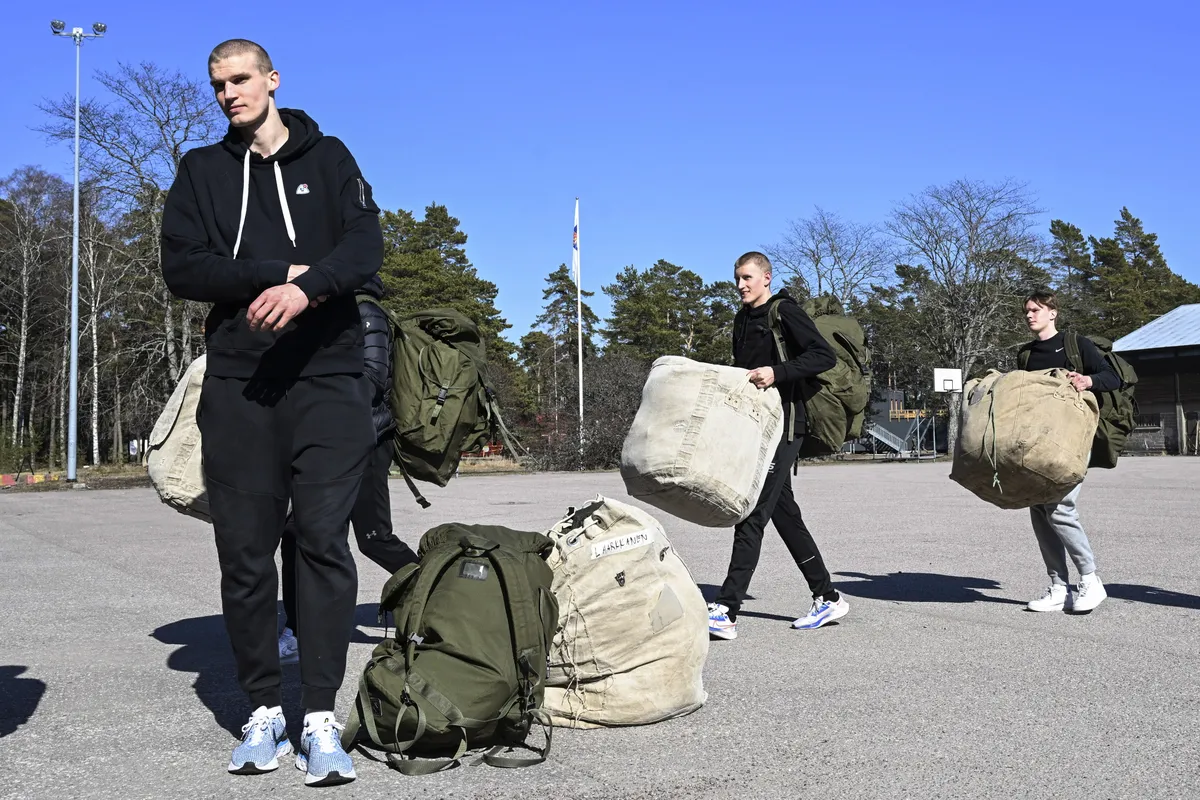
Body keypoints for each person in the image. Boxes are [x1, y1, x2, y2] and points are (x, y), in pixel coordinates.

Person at [160, 38, 382, 786]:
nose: (230, 93)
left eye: (242, 79)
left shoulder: (331, 158)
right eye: (219, 84)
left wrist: (307, 288)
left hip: (328, 377)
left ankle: (319, 715)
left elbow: (366, 249)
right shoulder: (202, 170)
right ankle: (263, 710)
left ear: (273, 79)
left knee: (322, 542)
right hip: (239, 383)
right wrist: (269, 274)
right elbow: (182, 266)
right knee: (247, 555)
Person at [708, 252, 849, 640]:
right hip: (757, 427)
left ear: (766, 277)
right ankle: (828, 597)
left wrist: (778, 372)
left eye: (748, 278)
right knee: (784, 514)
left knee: (753, 511)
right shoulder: (741, 319)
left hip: (788, 426)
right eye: (737, 278)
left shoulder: (783, 311)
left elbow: (823, 355)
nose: (741, 285)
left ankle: (726, 608)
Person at [277, 276, 419, 663]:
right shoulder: (318, 314)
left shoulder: (365, 311)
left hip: (367, 440)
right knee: (296, 533)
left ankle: (436, 596)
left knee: (373, 537)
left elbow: (373, 380)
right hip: (320, 443)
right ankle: (297, 629)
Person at [1018, 291, 1117, 614]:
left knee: (1060, 507)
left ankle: (1090, 579)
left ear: (1053, 312)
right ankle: (1058, 586)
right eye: (1027, 311)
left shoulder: (1076, 344)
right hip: (1038, 440)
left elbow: (1112, 377)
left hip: (1074, 439)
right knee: (1038, 508)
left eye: (1036, 309)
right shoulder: (1026, 355)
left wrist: (1088, 380)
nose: (1030, 315)